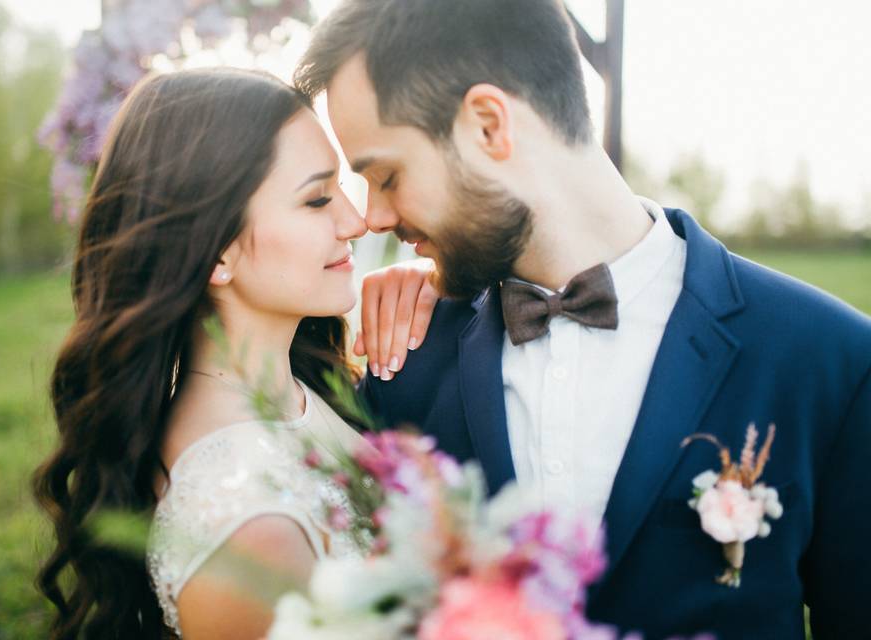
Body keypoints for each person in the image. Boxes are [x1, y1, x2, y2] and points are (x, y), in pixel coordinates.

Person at [295, 0, 871, 638]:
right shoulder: (403, 360)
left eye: (387, 175)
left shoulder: (828, 360)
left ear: (489, 125)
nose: (371, 216)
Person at [34, 68, 373, 640]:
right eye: (317, 199)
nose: (355, 221)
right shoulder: (249, 526)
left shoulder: (290, 389)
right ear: (217, 253)